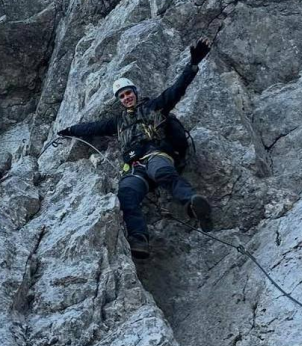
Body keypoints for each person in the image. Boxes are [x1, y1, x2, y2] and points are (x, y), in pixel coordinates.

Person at [58, 39, 214, 259]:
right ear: (119, 101)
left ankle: (193, 204)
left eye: (128, 93)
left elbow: (177, 90)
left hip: (155, 154)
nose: (126, 97)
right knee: (126, 194)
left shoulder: (154, 106)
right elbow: (92, 127)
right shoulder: (117, 122)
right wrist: (69, 130)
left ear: (135, 92)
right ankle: (139, 239)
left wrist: (193, 65)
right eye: (122, 96)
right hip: (133, 166)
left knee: (162, 172)